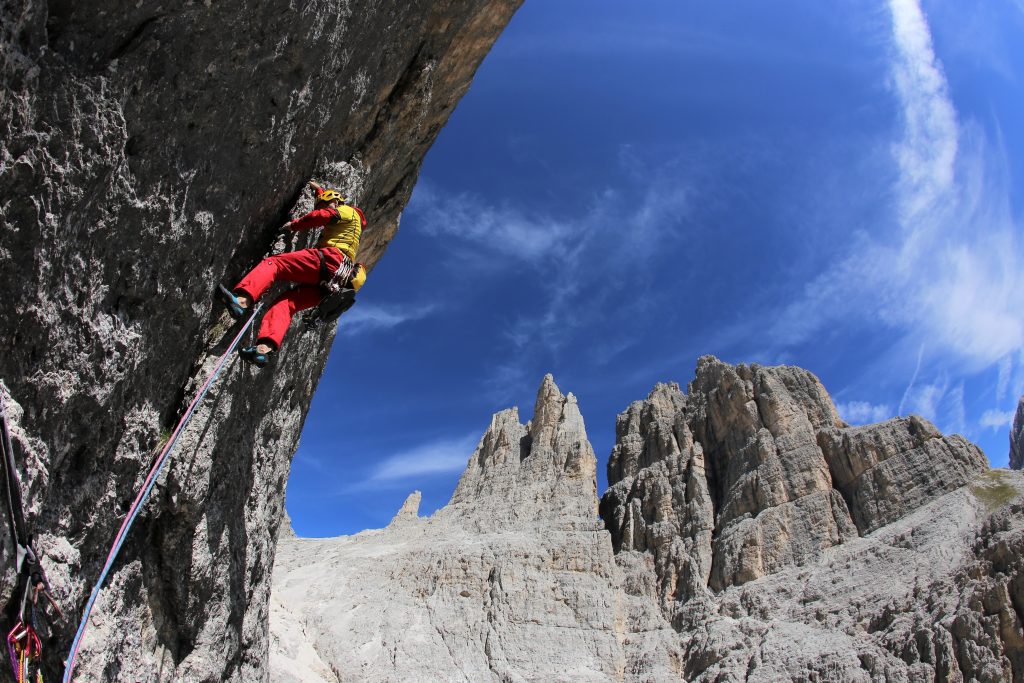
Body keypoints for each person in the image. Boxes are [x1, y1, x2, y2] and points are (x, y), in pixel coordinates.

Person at [217, 181, 367, 366]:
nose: (320, 206)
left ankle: (241, 301)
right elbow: (327, 203)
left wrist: (294, 225)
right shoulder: (354, 227)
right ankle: (263, 350)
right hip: (334, 284)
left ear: (335, 201)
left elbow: (322, 215)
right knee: (286, 305)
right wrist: (319, 190)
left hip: (330, 260)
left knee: (274, 264)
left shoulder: (347, 210)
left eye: (323, 202)